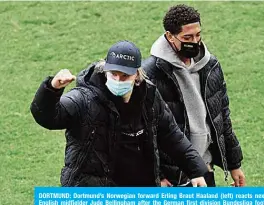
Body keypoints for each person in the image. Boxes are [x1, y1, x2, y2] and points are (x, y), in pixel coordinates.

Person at [30, 40, 209, 187]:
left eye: (125, 76)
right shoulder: (83, 99)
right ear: (105, 70)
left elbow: (172, 137)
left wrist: (197, 171)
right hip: (94, 193)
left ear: (137, 76)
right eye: (113, 74)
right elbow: (48, 117)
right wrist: (52, 89)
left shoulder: (149, 98)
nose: (118, 80)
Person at [142, 4, 246, 187]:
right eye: (187, 37)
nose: (195, 42)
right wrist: (158, 175)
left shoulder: (211, 66)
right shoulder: (151, 73)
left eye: (198, 35)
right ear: (169, 36)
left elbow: (222, 117)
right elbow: (146, 130)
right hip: (173, 179)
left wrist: (234, 163)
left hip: (204, 169)